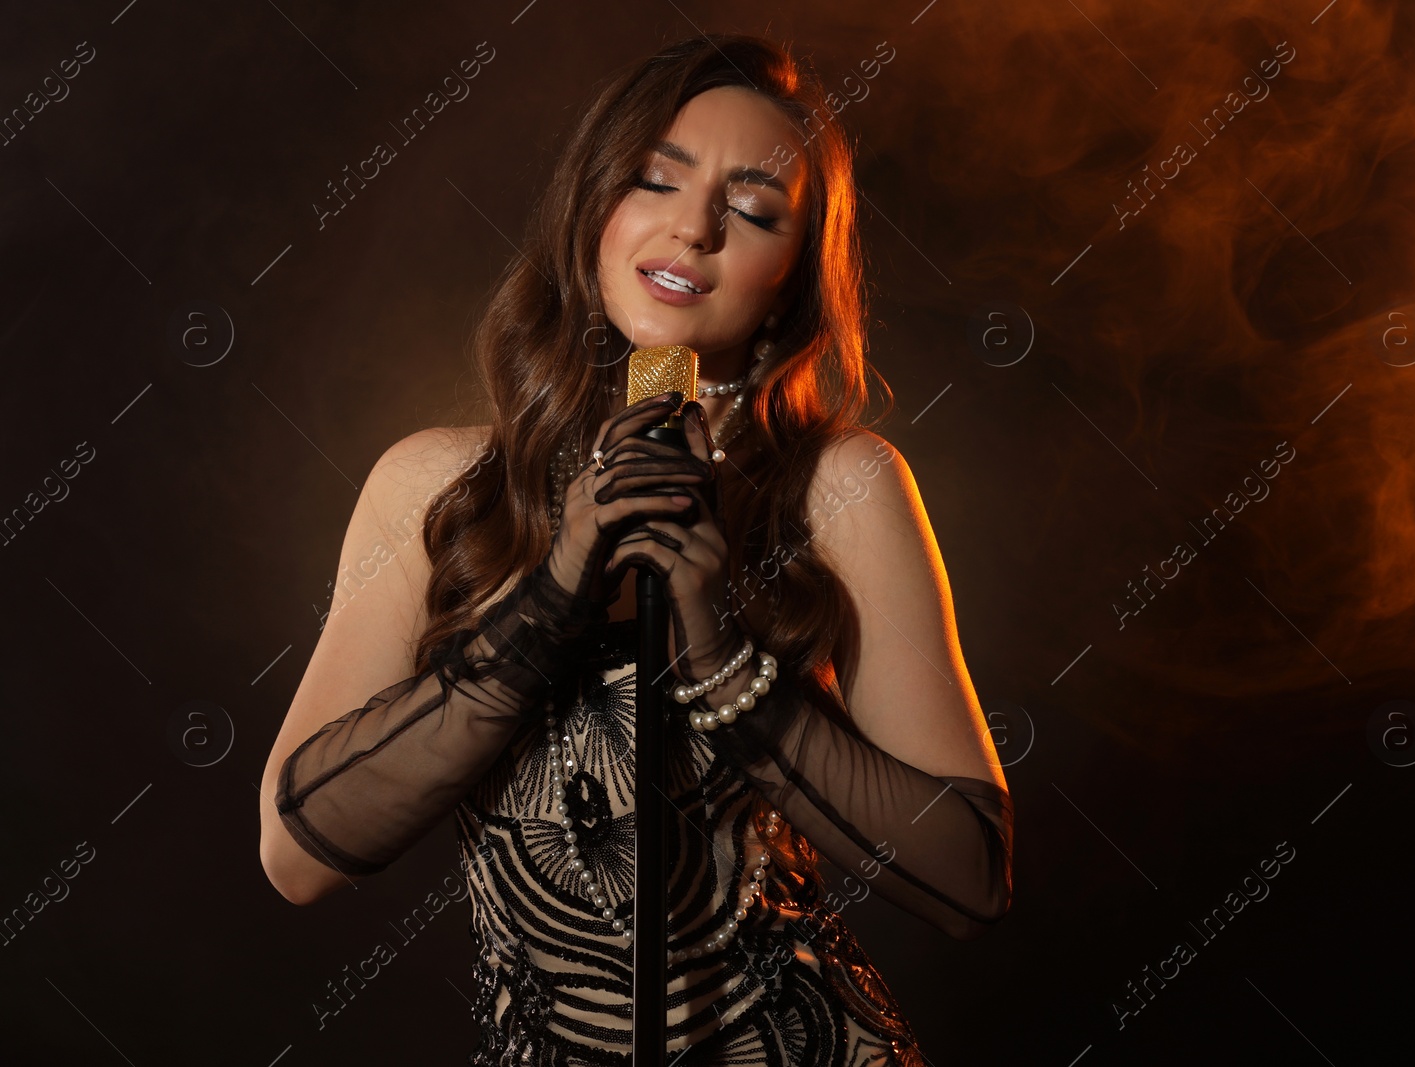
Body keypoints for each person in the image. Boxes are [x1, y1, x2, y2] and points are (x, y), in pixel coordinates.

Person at [258, 33, 1013, 1065]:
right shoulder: (434, 487)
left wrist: (718, 648)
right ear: (592, 211)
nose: (694, 226)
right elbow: (297, 853)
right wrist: (557, 588)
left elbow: (969, 875)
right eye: (655, 179)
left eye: (750, 210)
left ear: (789, 278)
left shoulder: (839, 484)